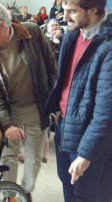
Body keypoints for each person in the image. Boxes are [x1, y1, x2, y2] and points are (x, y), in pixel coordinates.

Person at [0, 2, 56, 201]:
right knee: (8, 156)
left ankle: (25, 191)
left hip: (36, 108)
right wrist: (7, 124)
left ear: (3, 26)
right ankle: (8, 195)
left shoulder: (31, 32)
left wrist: (55, 103)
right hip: (8, 111)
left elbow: (51, 67)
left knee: (33, 158)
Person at [44, 0, 112, 201]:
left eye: (71, 11)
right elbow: (65, 76)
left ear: (93, 10)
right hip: (65, 124)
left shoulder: (107, 44)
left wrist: (86, 154)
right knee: (67, 183)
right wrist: (58, 107)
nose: (64, 18)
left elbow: (105, 111)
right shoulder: (73, 33)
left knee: (87, 193)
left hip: (89, 136)